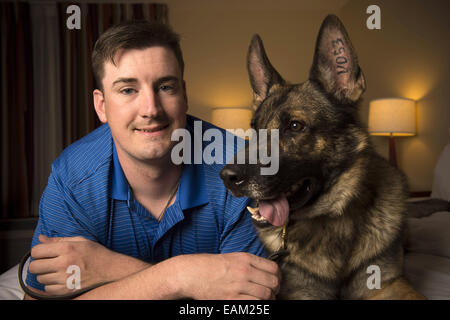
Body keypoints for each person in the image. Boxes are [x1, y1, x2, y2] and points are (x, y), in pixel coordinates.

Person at [24, 20, 280, 300]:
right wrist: (181, 278)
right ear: (101, 106)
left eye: (165, 87)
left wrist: (111, 269)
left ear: (184, 95)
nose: (150, 109)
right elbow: (35, 298)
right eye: (127, 90)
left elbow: (247, 304)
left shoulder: (242, 169)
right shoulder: (73, 178)